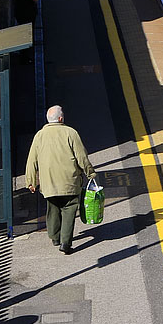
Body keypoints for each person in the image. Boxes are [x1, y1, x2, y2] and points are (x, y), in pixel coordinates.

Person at [25, 105, 96, 254]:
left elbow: (32, 160)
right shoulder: (71, 133)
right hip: (69, 181)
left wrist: (31, 181)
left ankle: (54, 237)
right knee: (69, 209)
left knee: (53, 208)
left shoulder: (39, 135)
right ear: (61, 119)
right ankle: (65, 242)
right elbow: (81, 157)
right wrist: (90, 173)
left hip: (48, 182)